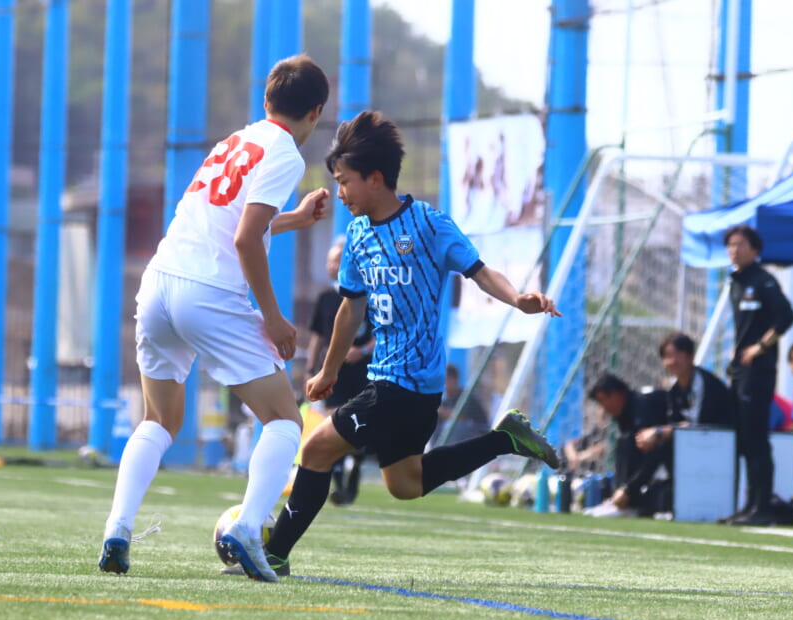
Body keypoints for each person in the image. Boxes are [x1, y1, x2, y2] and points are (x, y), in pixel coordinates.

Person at [249, 111, 561, 581]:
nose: (339, 193)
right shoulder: (357, 235)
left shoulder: (428, 224)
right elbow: (350, 308)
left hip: (405, 383)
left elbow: (480, 272)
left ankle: (273, 555)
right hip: (397, 384)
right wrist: (329, 370)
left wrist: (518, 299)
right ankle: (506, 438)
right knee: (405, 484)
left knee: (315, 451)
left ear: (375, 179)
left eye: (344, 182)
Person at [98, 55, 331, 578]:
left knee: (159, 420)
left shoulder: (233, 142)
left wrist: (293, 219)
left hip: (159, 284)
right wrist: (273, 317)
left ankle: (118, 528)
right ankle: (248, 528)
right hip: (207, 292)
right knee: (284, 420)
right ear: (316, 112)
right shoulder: (285, 153)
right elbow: (245, 239)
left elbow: (227, 223)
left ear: (266, 100)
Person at [723, 225, 793, 526]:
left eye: (741, 244)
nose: (734, 250)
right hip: (740, 370)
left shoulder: (763, 281)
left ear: (755, 250)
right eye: (730, 245)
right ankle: (749, 504)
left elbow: (786, 316)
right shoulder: (735, 282)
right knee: (744, 439)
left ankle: (762, 506)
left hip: (758, 371)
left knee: (756, 438)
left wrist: (760, 347)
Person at [305, 237, 375, 506]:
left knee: (359, 426)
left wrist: (363, 350)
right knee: (334, 423)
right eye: (330, 261)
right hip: (333, 371)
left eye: (337, 260)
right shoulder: (325, 298)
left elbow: (382, 331)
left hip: (364, 371)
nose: (332, 266)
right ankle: (339, 487)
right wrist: (312, 368)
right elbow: (318, 336)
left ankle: (354, 470)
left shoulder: (369, 294)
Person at [584, 373, 670, 518]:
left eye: (607, 398)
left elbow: (654, 453)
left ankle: (628, 503)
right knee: (623, 441)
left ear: (620, 392)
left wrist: (628, 489)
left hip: (675, 453)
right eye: (601, 401)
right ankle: (619, 500)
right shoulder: (624, 415)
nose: (605, 406)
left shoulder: (643, 405)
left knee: (629, 442)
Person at [434, 363, 491, 445]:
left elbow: (462, 419)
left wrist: (443, 412)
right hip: (458, 440)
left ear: (454, 380)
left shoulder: (466, 397)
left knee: (454, 426)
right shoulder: (446, 401)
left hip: (477, 435)